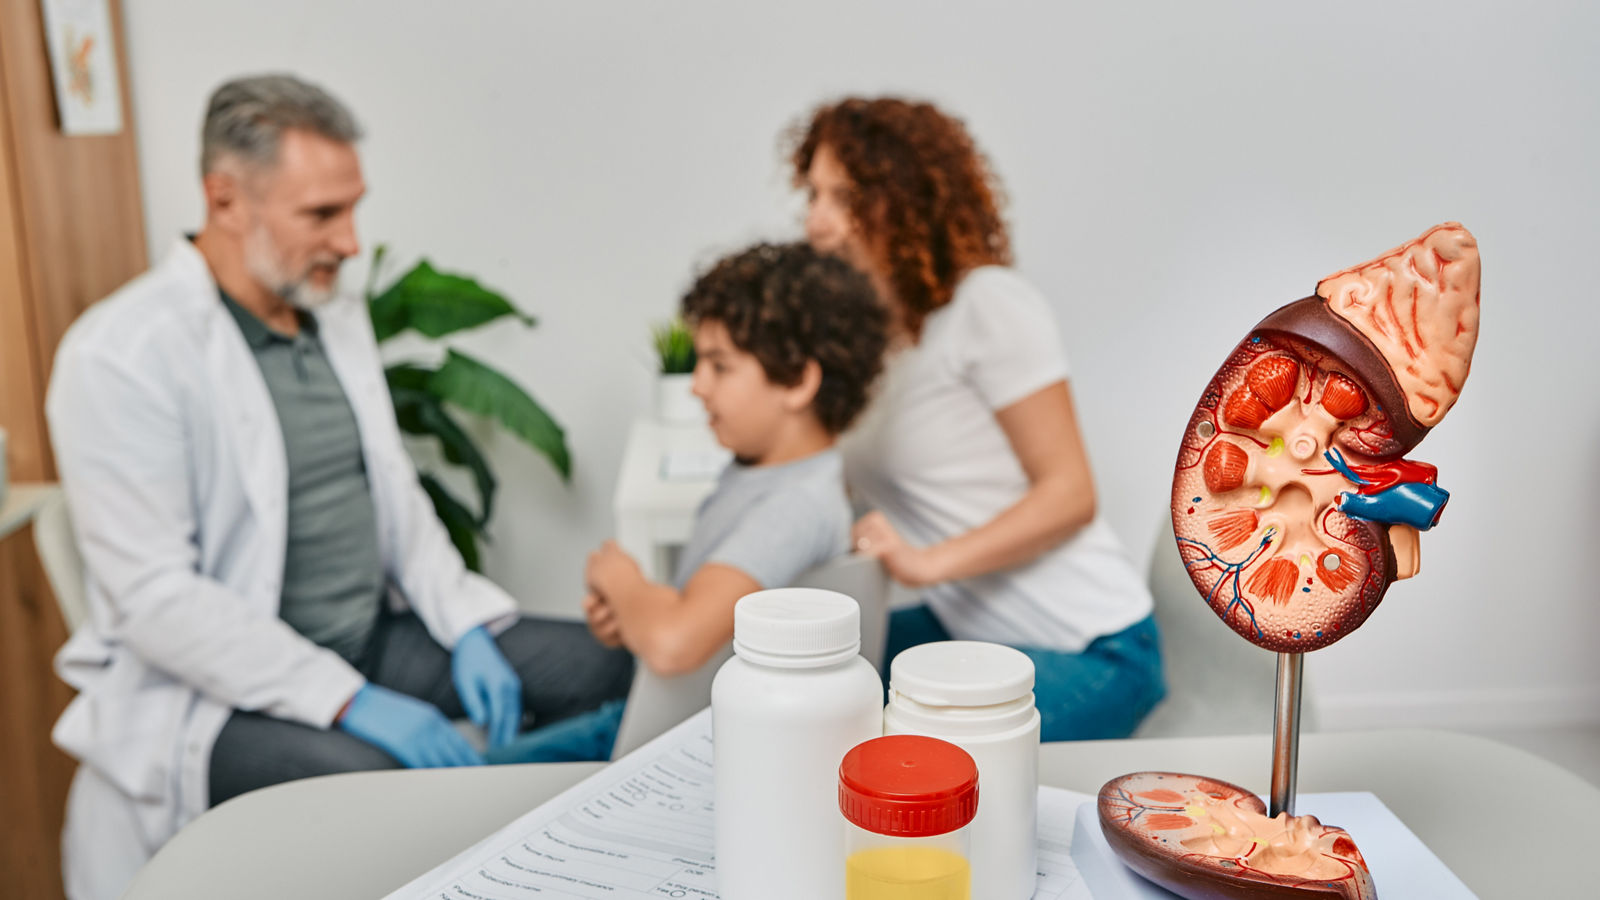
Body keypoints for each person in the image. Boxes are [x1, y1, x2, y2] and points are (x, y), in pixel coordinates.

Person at [45, 74, 631, 900]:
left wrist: (464, 623)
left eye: (354, 207)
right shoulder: (121, 356)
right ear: (224, 200)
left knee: (619, 671)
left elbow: (395, 496)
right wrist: (349, 701)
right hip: (221, 697)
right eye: (322, 214)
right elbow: (155, 600)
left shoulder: (333, 313)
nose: (352, 241)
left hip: (374, 637)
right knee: (385, 798)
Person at [791, 97, 1165, 741]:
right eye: (812, 195)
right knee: (800, 682)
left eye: (841, 197)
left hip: (1094, 648)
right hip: (974, 630)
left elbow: (1070, 494)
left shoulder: (987, 305)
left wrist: (927, 564)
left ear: (903, 203)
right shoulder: (879, 340)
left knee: (868, 744)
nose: (815, 222)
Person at [491, 241, 889, 763]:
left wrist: (623, 582)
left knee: (486, 770)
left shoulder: (792, 508)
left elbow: (677, 643)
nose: (697, 386)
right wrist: (634, 614)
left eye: (719, 367)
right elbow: (695, 611)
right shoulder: (764, 472)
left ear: (797, 381)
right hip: (674, 717)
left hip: (678, 740)